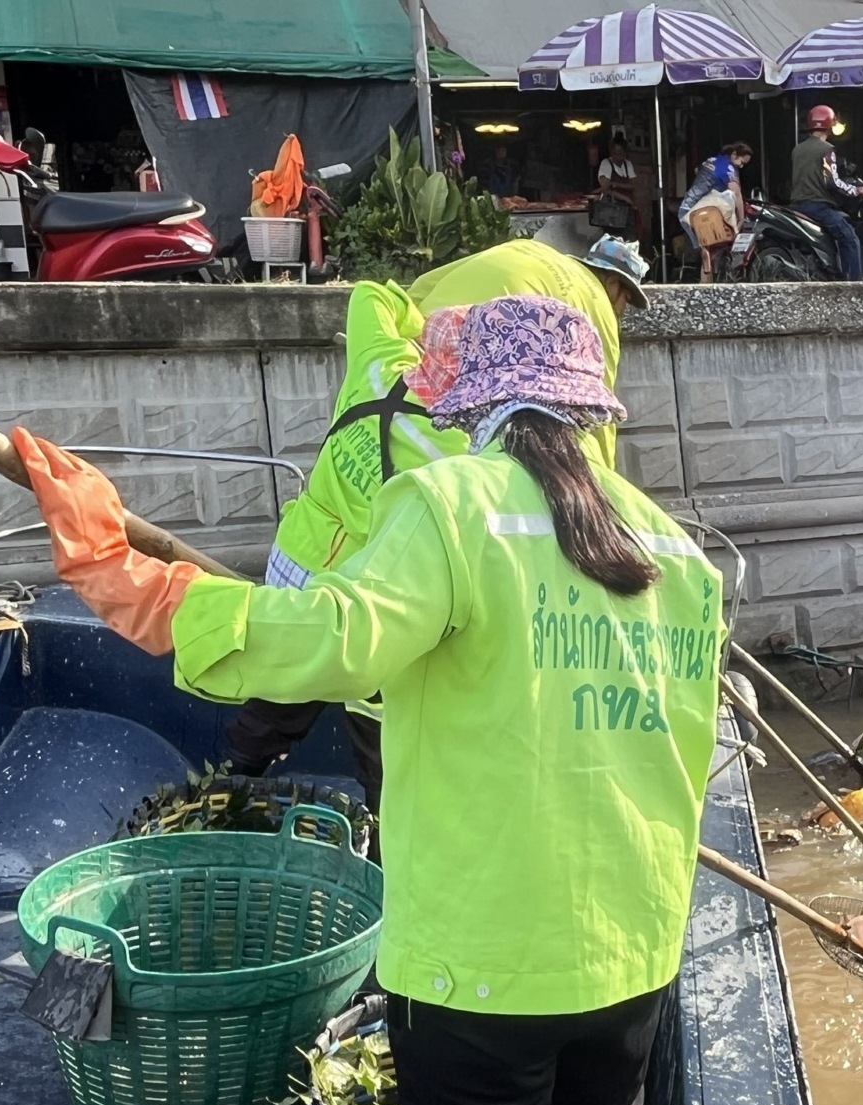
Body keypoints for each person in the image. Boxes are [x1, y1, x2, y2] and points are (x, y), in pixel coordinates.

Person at [11, 293, 724, 1105]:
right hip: (634, 952)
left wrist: (121, 578)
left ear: (466, 402)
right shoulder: (675, 550)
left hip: (480, 963)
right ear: (588, 404)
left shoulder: (451, 505)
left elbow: (327, 641)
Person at [222, 236, 652, 783]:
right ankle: (384, 822)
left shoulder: (380, 363)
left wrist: (418, 323)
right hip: (376, 598)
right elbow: (588, 447)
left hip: (299, 568)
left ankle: (234, 776)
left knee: (286, 683)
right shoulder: (462, 457)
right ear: (616, 287)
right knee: (380, 736)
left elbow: (373, 297)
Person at [788, 104, 863, 281]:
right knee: (850, 238)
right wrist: (855, 190)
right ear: (829, 124)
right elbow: (832, 181)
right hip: (818, 206)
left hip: (796, 205)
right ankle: (856, 284)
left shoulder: (797, 149)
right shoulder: (827, 149)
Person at [676, 142, 752, 256]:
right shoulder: (728, 169)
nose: (741, 166)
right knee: (704, 244)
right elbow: (736, 193)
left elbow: (697, 170)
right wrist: (741, 219)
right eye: (742, 163)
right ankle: (702, 252)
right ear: (734, 154)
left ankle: (703, 252)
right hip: (692, 209)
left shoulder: (713, 160)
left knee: (704, 243)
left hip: (692, 204)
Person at [597, 137, 637, 201]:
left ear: (625, 153)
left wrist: (616, 184)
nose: (617, 157)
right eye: (615, 154)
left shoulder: (628, 164)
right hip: (611, 204)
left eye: (620, 154)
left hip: (627, 204)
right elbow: (606, 189)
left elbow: (634, 185)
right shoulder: (606, 164)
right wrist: (625, 198)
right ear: (611, 153)